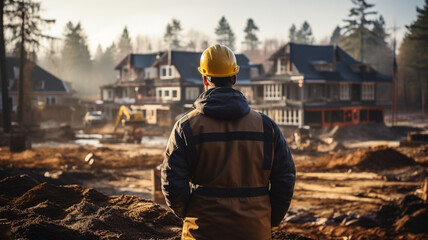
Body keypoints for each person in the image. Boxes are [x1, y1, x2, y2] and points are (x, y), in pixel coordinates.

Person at [161, 44, 295, 240]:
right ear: (234, 78)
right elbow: (285, 178)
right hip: (254, 231)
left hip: (202, 232)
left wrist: (190, 213)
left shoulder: (186, 127)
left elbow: (172, 182)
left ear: (204, 79)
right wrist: (268, 220)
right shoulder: (267, 127)